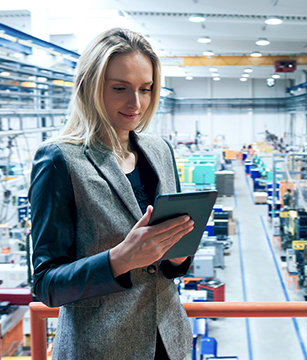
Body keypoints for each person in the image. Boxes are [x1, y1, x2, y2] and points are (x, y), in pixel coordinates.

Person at [29, 28, 194, 360]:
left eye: (145, 89)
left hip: (169, 341)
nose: (136, 103)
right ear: (90, 86)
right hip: (100, 348)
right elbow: (47, 284)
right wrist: (119, 259)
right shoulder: (60, 160)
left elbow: (163, 267)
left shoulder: (159, 150)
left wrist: (178, 256)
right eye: (120, 89)